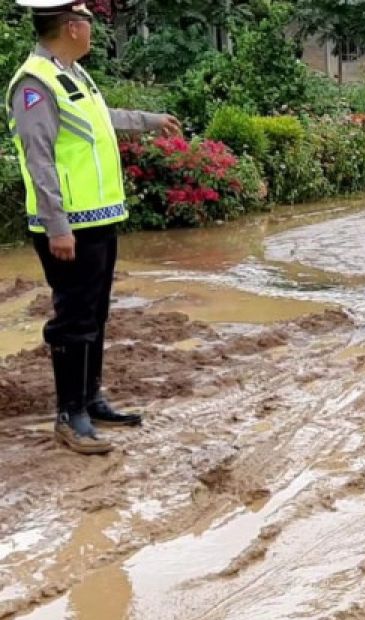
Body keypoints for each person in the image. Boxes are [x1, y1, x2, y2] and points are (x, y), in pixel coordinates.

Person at [7, 0, 181, 455]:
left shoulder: (72, 74)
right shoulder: (34, 85)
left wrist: (148, 121)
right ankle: (70, 415)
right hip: (69, 227)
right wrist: (56, 225)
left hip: (99, 218)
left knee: (95, 314)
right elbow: (38, 159)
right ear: (70, 26)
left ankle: (91, 398)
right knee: (75, 319)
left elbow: (100, 121)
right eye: (86, 20)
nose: (91, 28)